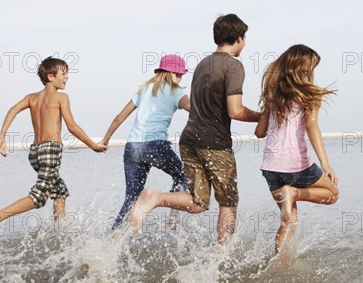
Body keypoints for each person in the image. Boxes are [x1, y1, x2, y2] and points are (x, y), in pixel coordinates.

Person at [128, 14, 261, 245]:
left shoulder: (202, 64)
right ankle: (223, 254)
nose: (245, 42)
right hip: (215, 143)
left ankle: (156, 197)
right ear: (239, 38)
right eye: (245, 37)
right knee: (228, 202)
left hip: (189, 140)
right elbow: (235, 111)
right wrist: (263, 116)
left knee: (198, 203)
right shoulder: (233, 66)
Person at [0, 57, 107, 243]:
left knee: (60, 191)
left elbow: (12, 110)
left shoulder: (32, 98)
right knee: (39, 197)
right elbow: (72, 126)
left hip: (35, 153)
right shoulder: (61, 97)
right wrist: (93, 145)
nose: (67, 78)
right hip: (50, 151)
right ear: (51, 76)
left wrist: (2, 136)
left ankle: (60, 235)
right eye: (63, 74)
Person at [254, 44, 339, 255]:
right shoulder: (309, 95)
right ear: (303, 68)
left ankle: (279, 264)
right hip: (296, 164)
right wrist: (325, 164)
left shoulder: (271, 93)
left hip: (271, 167)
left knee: (289, 220)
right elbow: (312, 127)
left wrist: (267, 111)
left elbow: (259, 132)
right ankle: (294, 192)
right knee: (332, 194)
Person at [101, 54, 191, 230]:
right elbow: (194, 109)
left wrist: (105, 140)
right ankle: (173, 217)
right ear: (171, 73)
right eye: (179, 74)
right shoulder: (177, 92)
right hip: (156, 145)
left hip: (132, 147)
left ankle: (113, 238)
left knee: (131, 198)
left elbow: (119, 117)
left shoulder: (143, 90)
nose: (181, 78)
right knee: (182, 175)